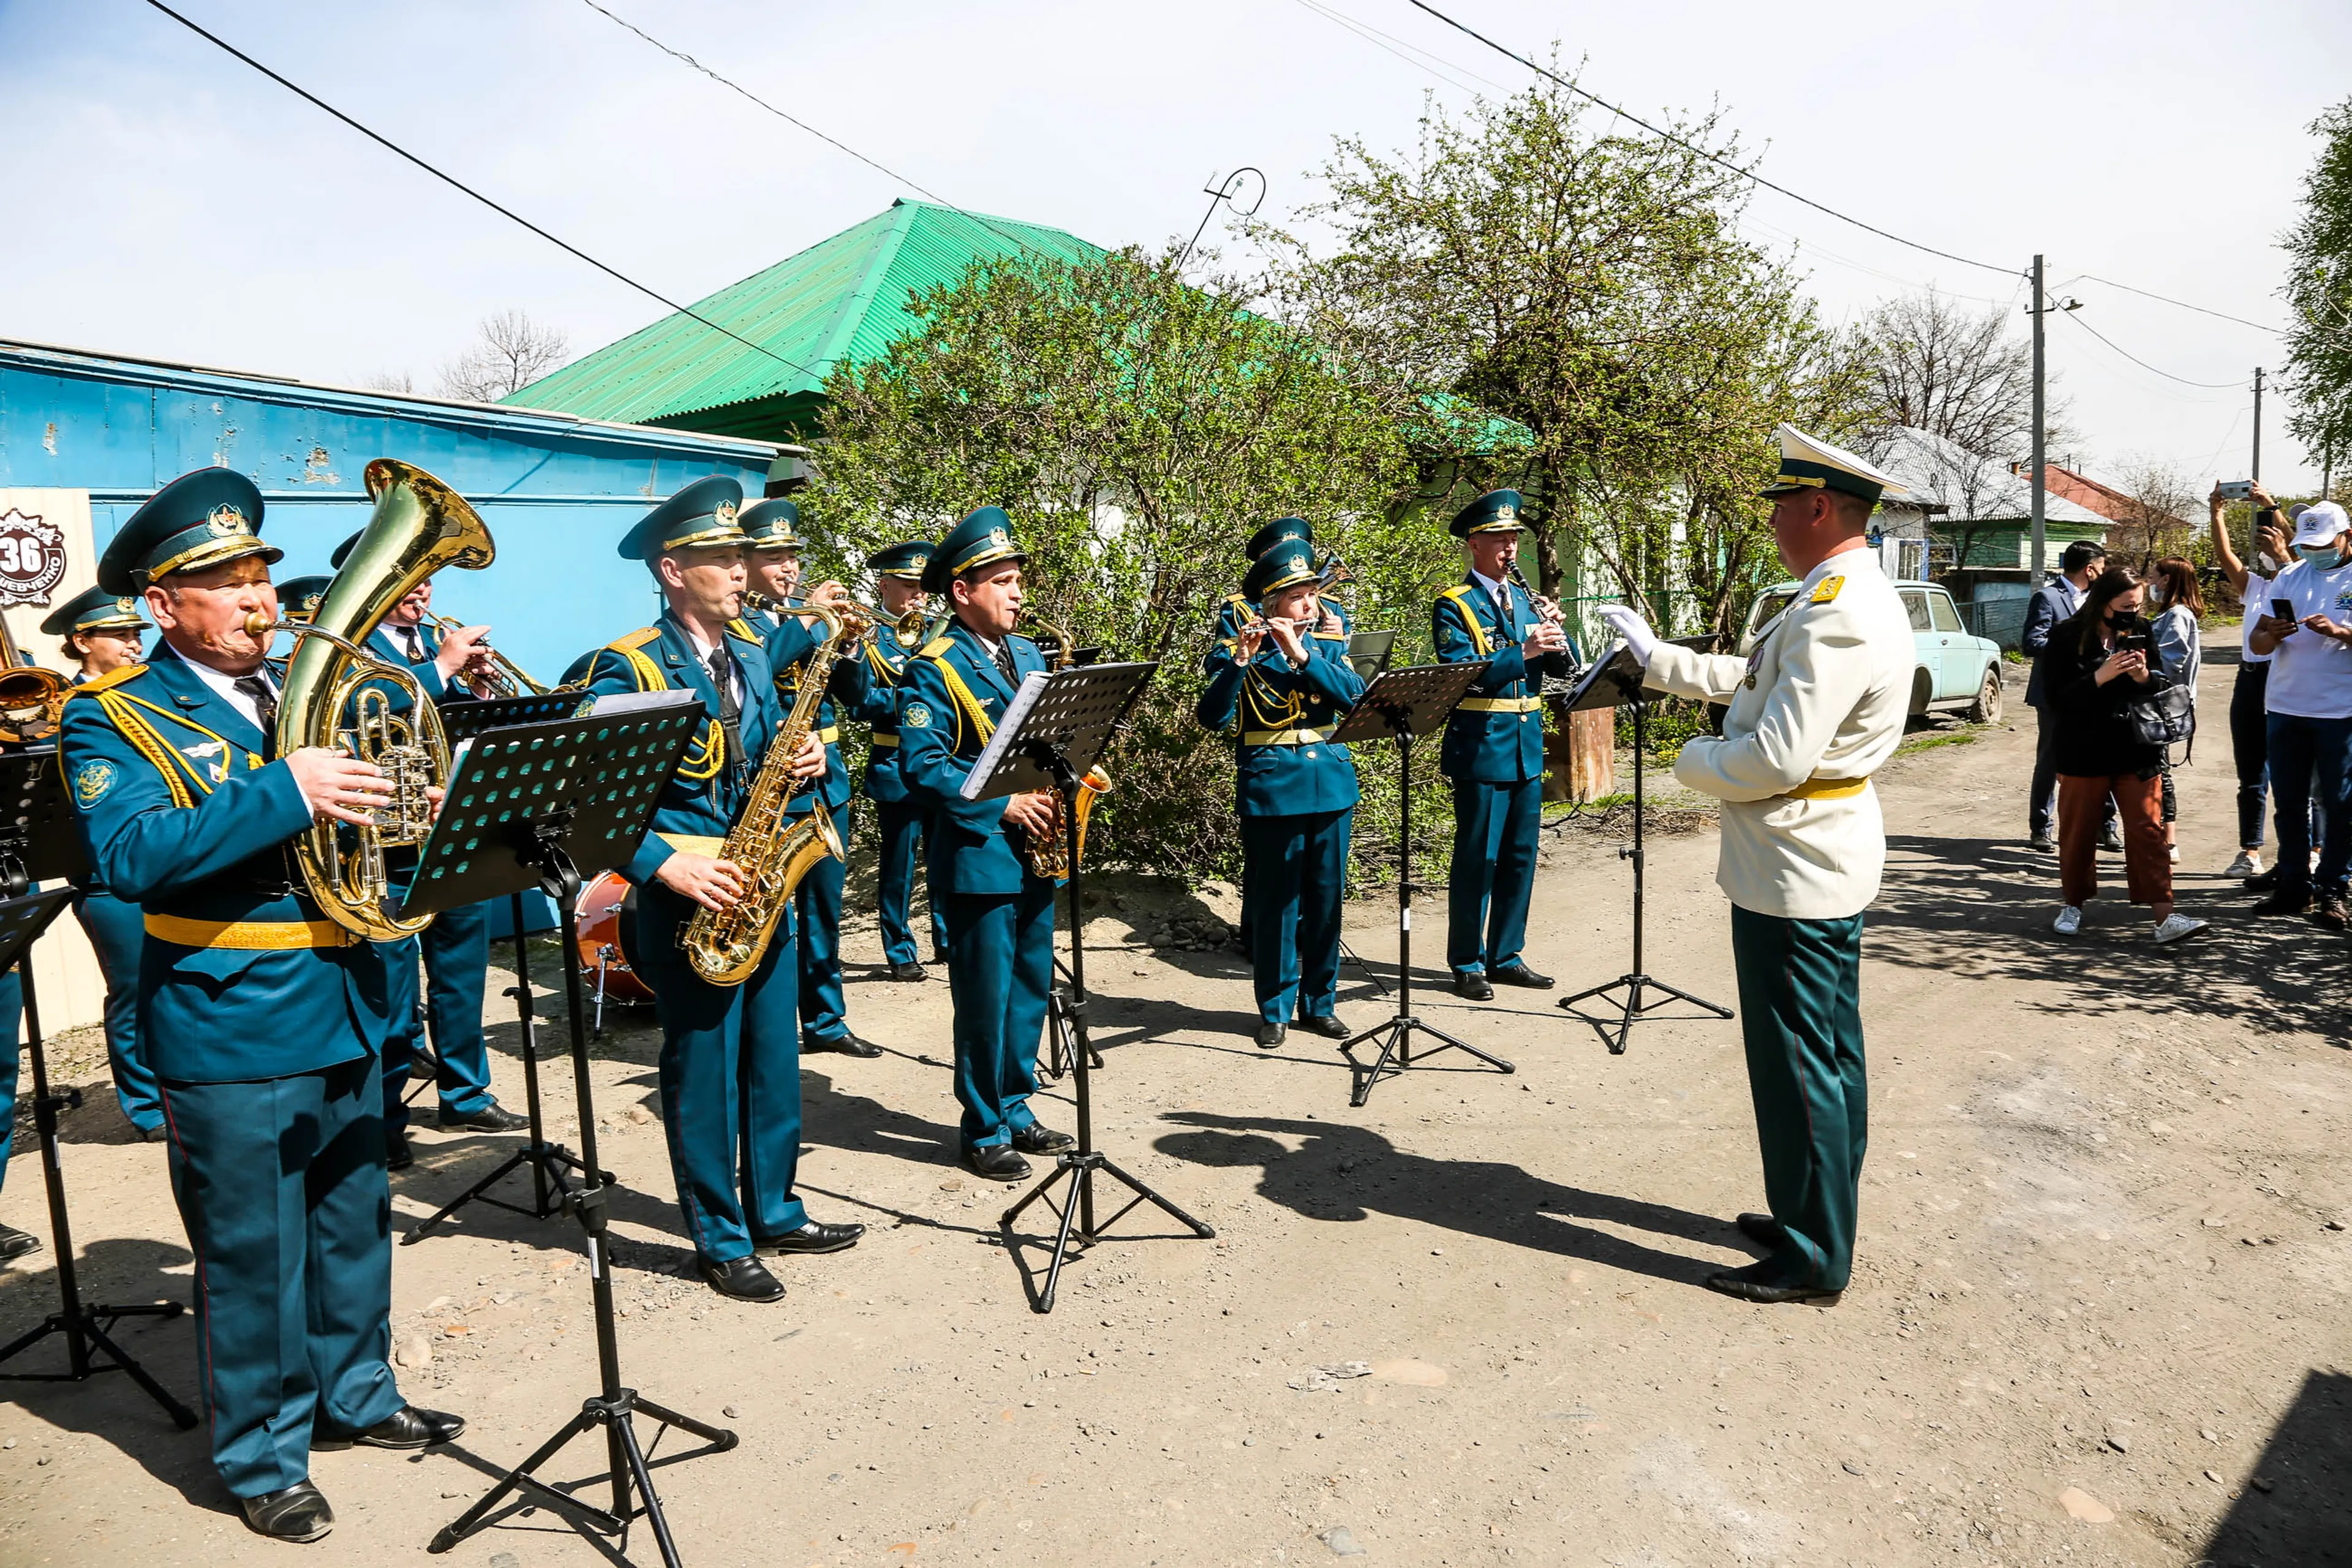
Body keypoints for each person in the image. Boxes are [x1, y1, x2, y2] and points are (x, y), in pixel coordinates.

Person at [61, 467, 461, 1542]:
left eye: (259, 575)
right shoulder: (116, 714)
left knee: (352, 1227)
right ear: (162, 606)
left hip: (354, 999)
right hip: (233, 1017)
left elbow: (383, 826)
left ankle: (357, 1398)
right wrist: (288, 790)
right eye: (225, 581)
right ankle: (261, 1455)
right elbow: (131, 855)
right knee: (251, 1255)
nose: (257, 599)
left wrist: (414, 802)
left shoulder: (312, 689)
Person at [1596, 425, 1913, 1306]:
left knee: (1798, 1062)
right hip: (1813, 854)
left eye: (1781, 505)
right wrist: (1658, 662)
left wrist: (1689, 762)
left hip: (1797, 861)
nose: (1772, 520)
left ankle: (1814, 1255)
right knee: (1825, 1052)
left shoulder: (1838, 611)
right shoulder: (1838, 594)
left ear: (1819, 506)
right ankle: (1817, 1209)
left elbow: (1772, 755)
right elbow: (1757, 676)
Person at [567, 477, 858, 1303]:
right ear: (672, 571)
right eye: (723, 558)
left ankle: (775, 1208)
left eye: (741, 557)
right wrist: (662, 865)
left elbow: (767, 761)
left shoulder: (756, 657)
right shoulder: (622, 666)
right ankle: (720, 1237)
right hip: (688, 897)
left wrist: (810, 766)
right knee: (703, 1070)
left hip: (765, 883)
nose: (743, 571)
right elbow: (586, 801)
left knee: (773, 1060)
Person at [323, 530, 526, 1166]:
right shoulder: (347, 650)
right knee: (388, 992)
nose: (424, 591)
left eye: (429, 577)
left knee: (462, 978)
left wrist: (481, 692)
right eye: (410, 579)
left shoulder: (438, 649)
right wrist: (440, 669)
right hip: (386, 846)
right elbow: (356, 709)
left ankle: (466, 1092)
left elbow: (459, 733)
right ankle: (385, 1116)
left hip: (449, 836)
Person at [896, 507, 1075, 1182]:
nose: (1018, 592)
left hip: (1035, 848)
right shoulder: (932, 667)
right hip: (979, 855)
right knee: (984, 997)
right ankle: (982, 1126)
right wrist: (1003, 805)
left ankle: (1016, 1102)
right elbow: (924, 765)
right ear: (963, 592)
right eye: (1002, 581)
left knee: (1030, 986)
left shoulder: (1026, 655)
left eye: (1018, 579)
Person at [1196, 540, 1366, 1049]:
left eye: (1312, 592)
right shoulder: (1234, 654)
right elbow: (1213, 718)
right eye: (1298, 597)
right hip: (1273, 786)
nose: (1311, 604)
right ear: (1271, 606)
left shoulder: (1328, 646)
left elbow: (1355, 700)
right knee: (1276, 906)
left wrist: (1303, 654)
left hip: (1332, 783)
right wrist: (1242, 662)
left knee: (1326, 901)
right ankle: (1275, 1008)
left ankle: (1321, 1004)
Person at [738, 499, 882, 1057]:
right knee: (770, 913)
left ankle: (825, 1022)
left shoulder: (805, 622)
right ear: (743, 562)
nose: (789, 569)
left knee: (825, 912)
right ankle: (766, 1024)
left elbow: (861, 699)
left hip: (826, 783)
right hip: (770, 793)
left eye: (793, 556)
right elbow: (759, 673)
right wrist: (808, 623)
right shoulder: (741, 623)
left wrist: (848, 643)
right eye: (774, 557)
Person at [1431, 489, 1576, 999]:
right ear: (1475, 544)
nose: (1510, 548)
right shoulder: (1455, 605)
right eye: (1499, 538)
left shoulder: (1524, 599)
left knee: (1520, 855)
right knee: (1478, 858)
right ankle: (1467, 960)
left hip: (1525, 744)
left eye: (1514, 538)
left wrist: (1557, 632)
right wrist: (1526, 648)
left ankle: (1506, 955)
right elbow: (1463, 677)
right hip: (1482, 745)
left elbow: (1564, 667)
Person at [39, 586, 160, 1139]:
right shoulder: (58, 706)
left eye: (138, 633)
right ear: (81, 642)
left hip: (163, 861)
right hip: (105, 876)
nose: (135, 643)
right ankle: (144, 1103)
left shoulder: (148, 693)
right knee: (133, 987)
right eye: (121, 635)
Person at [2035, 567, 2207, 942]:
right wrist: (2101, 676)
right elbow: (2056, 699)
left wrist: (2145, 677)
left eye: (2139, 605)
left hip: (2136, 748)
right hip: (2084, 750)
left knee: (2149, 830)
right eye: (2126, 605)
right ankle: (2073, 904)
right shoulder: (2067, 636)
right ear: (2103, 602)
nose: (2134, 612)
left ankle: (2165, 916)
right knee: (2078, 833)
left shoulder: (2142, 630)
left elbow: (2160, 684)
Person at [2246, 500, 2352, 927]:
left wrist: (2341, 632)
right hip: (2286, 706)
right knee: (2289, 802)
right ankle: (2294, 885)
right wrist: (2271, 634)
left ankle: (2334, 888)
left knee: (2341, 804)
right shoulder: (2289, 575)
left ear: (2347, 537)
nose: (2314, 551)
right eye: (2307, 544)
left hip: (2340, 711)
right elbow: (2256, 644)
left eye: (2323, 543)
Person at [859, 540, 947, 981]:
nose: (919, 595)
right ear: (885, 585)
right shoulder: (870, 637)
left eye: (923, 587)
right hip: (895, 762)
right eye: (909, 586)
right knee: (899, 866)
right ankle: (899, 950)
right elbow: (862, 701)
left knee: (947, 856)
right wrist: (913, 701)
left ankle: (947, 940)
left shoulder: (940, 630)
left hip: (942, 761)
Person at [2209, 484, 2298, 879]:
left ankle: (2307, 851)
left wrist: (2272, 508)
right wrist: (2217, 514)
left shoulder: (2301, 585)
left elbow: (2297, 559)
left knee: (2294, 772)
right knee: (2251, 772)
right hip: (2249, 681)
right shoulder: (2256, 588)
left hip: (2285, 680)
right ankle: (2250, 851)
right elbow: (2224, 557)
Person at [2022, 539, 2119, 852]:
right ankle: (2041, 828)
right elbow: (2032, 643)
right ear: (2090, 569)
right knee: (2050, 760)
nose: (2104, 573)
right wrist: (2072, 648)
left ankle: (2106, 827)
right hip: (2055, 693)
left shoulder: (2102, 600)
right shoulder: (2048, 597)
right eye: (2102, 568)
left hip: (2096, 691)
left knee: (2103, 758)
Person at [2146, 556, 2204, 864]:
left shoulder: (2178, 615)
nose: (2151, 581)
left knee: (2160, 771)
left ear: (2167, 579)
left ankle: (2169, 842)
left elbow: (2172, 661)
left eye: (2154, 574)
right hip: (2158, 704)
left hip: (2162, 706)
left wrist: (2139, 664)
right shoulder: (2169, 614)